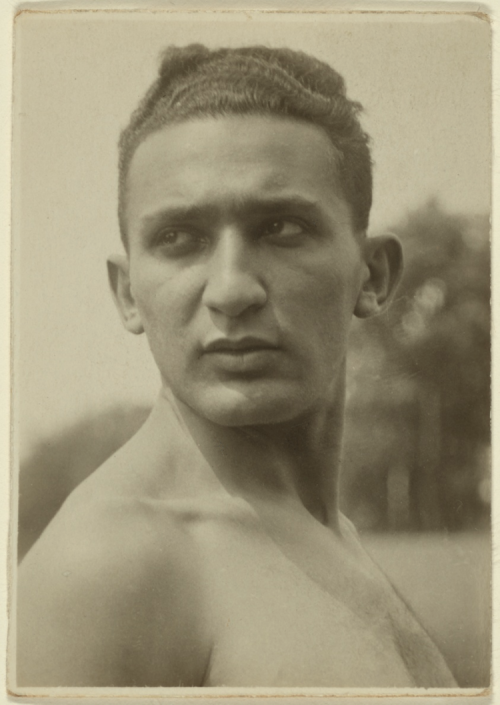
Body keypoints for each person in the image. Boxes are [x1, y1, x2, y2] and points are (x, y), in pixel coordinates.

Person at [16, 44, 457, 689]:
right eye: (178, 239)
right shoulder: (110, 567)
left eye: (280, 227)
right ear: (127, 293)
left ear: (374, 275)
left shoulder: (328, 534)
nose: (230, 290)